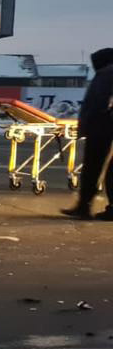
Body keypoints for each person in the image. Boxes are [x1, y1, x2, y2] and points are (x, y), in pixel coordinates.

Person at [61, 48, 113, 220]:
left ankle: (84, 207)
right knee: (97, 168)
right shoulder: (107, 73)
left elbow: (98, 101)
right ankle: (84, 206)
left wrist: (89, 124)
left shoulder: (106, 74)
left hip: (101, 127)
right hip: (102, 126)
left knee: (92, 167)